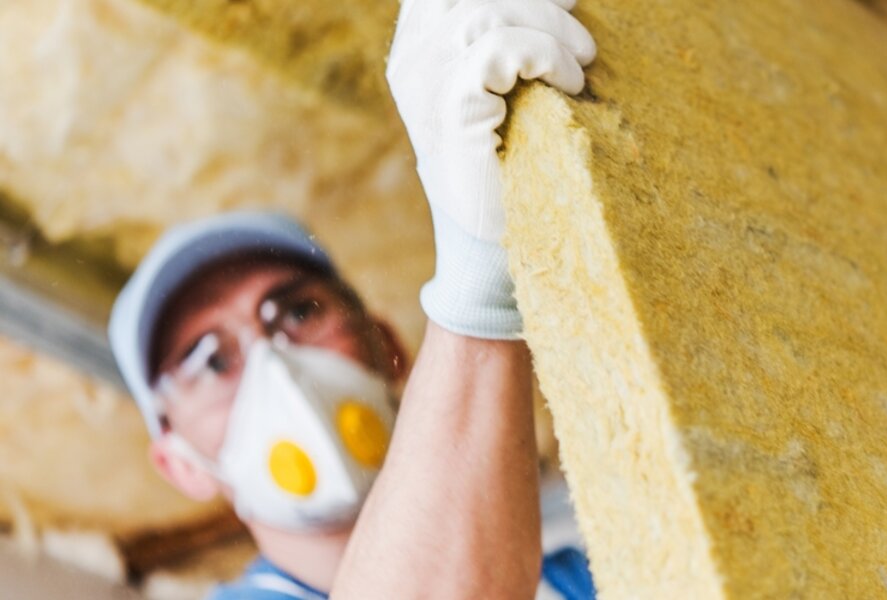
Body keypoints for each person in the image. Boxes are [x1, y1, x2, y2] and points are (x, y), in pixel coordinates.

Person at [106, 0, 598, 597]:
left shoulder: (583, 581)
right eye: (210, 360)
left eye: (299, 311)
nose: (274, 363)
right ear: (181, 464)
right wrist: (482, 282)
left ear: (390, 348)